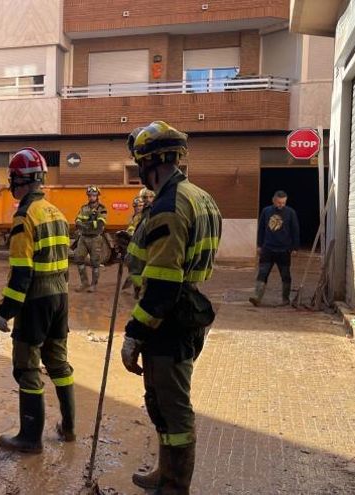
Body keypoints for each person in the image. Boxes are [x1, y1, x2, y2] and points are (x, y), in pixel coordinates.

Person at [120, 121, 222, 494]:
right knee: (160, 401)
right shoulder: (198, 195)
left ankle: (175, 486)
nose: (142, 175)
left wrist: (134, 334)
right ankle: (164, 474)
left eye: (141, 166)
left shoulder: (169, 204)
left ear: (153, 162)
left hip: (170, 318)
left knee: (174, 408)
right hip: (187, 308)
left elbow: (162, 284)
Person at [0, 147, 75, 454]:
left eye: (12, 178)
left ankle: (29, 439)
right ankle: (68, 429)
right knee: (58, 364)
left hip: (36, 301)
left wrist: (5, 311)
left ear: (18, 179)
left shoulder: (24, 215)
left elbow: (22, 273)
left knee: (27, 367)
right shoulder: (56, 212)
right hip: (60, 298)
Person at [249, 190, 300, 306]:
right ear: (273, 200)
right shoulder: (266, 211)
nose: (281, 205)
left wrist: (295, 248)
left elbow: (295, 230)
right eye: (278, 202)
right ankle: (257, 297)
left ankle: (285, 299)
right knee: (262, 272)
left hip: (284, 250)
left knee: (286, 275)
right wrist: (259, 245)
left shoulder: (290, 213)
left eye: (283, 203)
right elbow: (261, 228)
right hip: (268, 249)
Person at [73, 185, 108, 293]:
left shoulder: (102, 208)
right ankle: (84, 283)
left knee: (95, 262)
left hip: (95, 238)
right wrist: (85, 224)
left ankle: (93, 285)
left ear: (97, 196)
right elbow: (77, 220)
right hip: (83, 238)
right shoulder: (83, 208)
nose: (91, 197)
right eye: (89, 195)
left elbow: (100, 223)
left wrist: (85, 224)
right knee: (78, 259)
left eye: (93, 195)